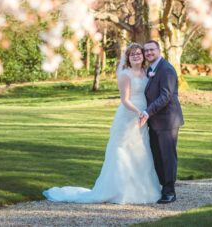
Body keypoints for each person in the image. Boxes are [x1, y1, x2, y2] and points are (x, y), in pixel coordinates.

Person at [43, 43, 161, 204]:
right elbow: (125, 100)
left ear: (142, 56)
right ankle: (119, 191)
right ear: (127, 57)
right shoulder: (125, 74)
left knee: (141, 151)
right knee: (122, 151)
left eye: (138, 53)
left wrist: (146, 113)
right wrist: (138, 112)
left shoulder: (146, 72)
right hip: (129, 115)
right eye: (132, 54)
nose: (136, 56)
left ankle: (142, 190)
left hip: (143, 116)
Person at [138, 40, 184, 204]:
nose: (148, 53)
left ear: (159, 50)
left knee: (167, 156)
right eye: (146, 51)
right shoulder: (151, 69)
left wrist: (147, 112)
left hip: (168, 120)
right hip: (155, 122)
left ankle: (170, 192)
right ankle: (163, 187)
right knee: (157, 156)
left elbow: (165, 96)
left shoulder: (166, 69)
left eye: (151, 50)